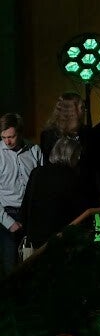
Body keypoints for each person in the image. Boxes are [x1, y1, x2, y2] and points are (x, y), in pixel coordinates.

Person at [18, 135, 89, 250]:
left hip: (35, 237)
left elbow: (26, 205)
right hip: (59, 238)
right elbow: (78, 209)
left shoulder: (37, 172)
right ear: (73, 156)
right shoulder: (72, 177)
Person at [0, 114, 43, 274]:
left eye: (11, 137)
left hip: (32, 214)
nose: (7, 142)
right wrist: (8, 222)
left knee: (34, 265)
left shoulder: (34, 150)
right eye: (3, 137)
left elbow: (42, 185)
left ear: (20, 133)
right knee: (10, 268)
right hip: (7, 214)